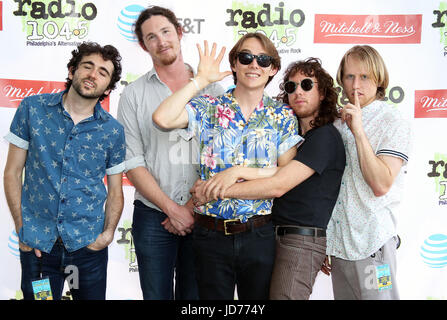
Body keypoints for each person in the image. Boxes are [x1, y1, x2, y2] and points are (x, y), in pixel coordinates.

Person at [153, 33, 301, 299]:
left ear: (273, 69)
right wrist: (200, 80)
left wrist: (238, 172)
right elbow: (162, 118)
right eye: (246, 57)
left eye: (263, 59)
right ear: (234, 64)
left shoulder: (282, 115)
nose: (254, 64)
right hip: (210, 235)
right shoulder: (209, 107)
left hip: (259, 234)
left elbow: (286, 174)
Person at [191, 58, 346, 300]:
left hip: (300, 242)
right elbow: (277, 173)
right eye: (292, 87)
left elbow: (278, 185)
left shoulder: (324, 137)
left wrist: (215, 189)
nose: (298, 92)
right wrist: (237, 171)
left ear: (323, 93)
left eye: (307, 85)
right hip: (276, 235)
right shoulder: (299, 137)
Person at [116, 6, 224, 300]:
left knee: (196, 300)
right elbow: (133, 161)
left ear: (179, 32)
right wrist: (171, 208)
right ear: (143, 45)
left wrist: (189, 207)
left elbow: (222, 155)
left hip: (203, 213)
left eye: (165, 32)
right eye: (151, 37)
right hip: (153, 216)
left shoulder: (213, 89)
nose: (161, 41)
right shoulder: (133, 94)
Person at [3, 42, 125, 300]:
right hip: (39, 251)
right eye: (87, 66)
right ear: (72, 71)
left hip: (87, 251)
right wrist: (22, 229)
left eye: (103, 72)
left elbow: (115, 190)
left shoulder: (113, 131)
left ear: (109, 87)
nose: (93, 74)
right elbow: (12, 172)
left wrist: (107, 234)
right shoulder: (32, 109)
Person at [325, 45, 412, 299]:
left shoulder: (393, 121)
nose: (355, 85)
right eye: (350, 76)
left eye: (364, 76)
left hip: (374, 247)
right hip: (341, 247)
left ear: (379, 79)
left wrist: (359, 132)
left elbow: (381, 184)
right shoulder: (337, 123)